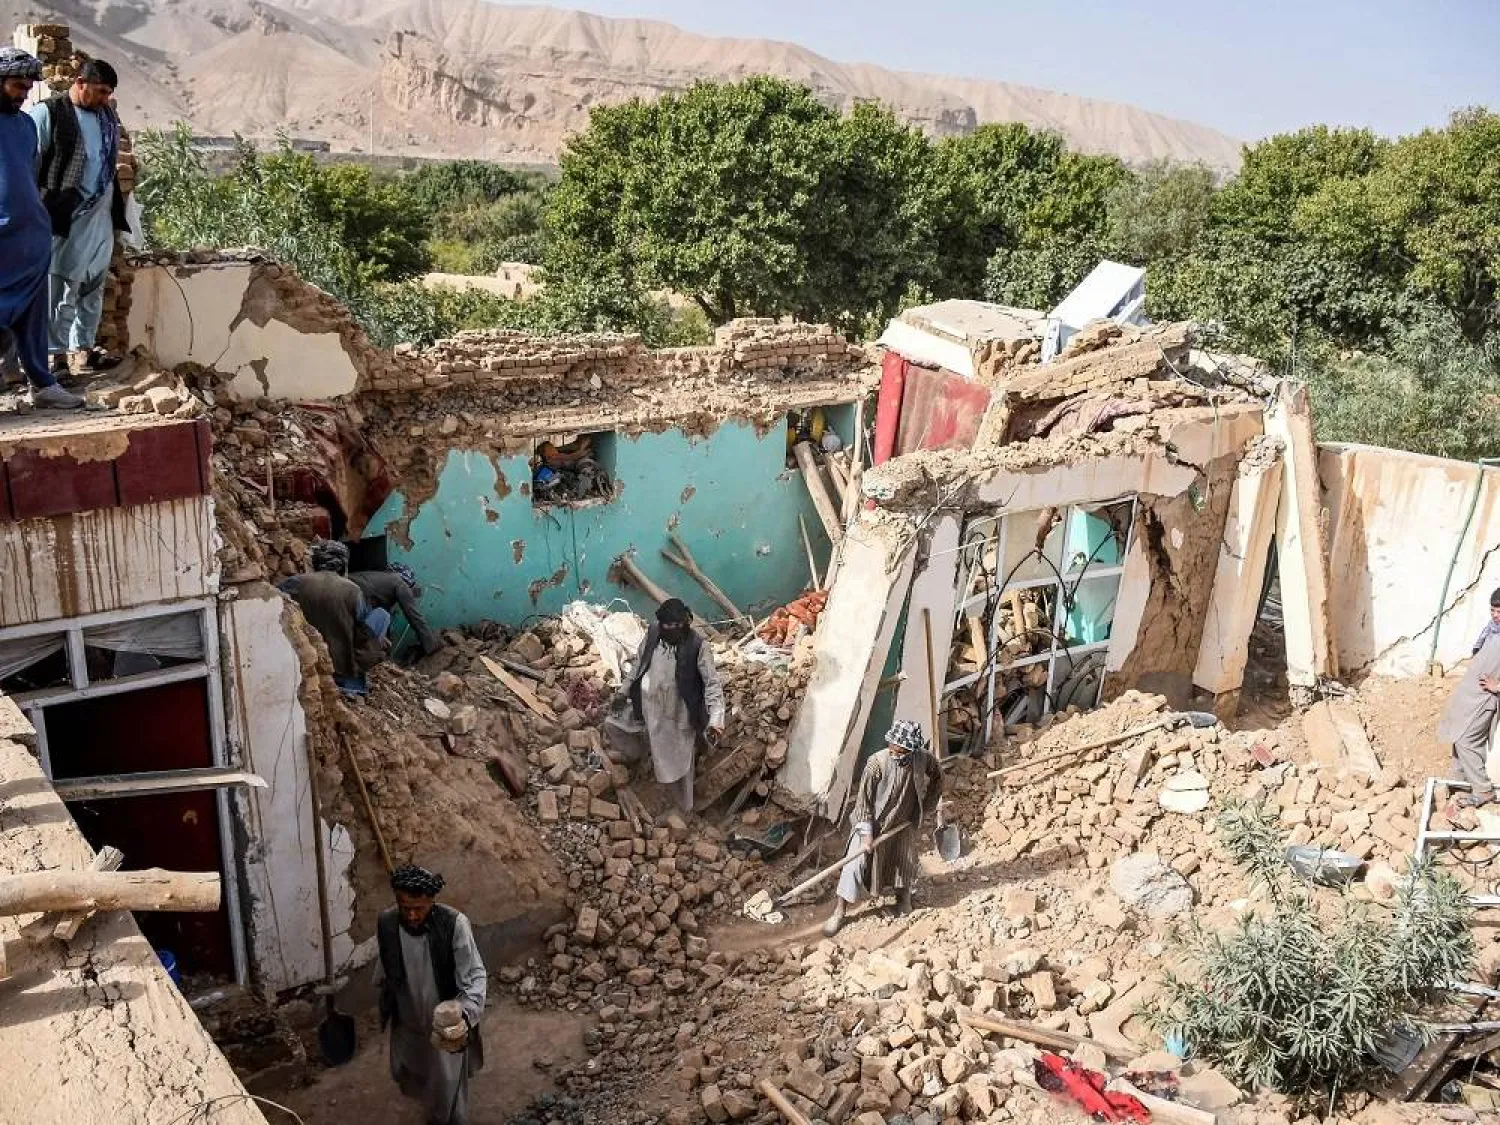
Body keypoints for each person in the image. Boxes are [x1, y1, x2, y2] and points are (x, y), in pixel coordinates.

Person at [29, 58, 128, 380]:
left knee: (93, 284)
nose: (104, 99)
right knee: (60, 286)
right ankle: (53, 356)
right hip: (63, 215)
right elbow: (28, 163)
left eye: (108, 93)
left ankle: (83, 350)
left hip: (100, 213)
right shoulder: (49, 114)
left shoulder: (106, 116)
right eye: (99, 91)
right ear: (80, 82)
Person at [0, 48, 83, 410]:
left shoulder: (25, 125)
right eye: (17, 86)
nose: (23, 94)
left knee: (34, 312)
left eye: (28, 87)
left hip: (30, 235)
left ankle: (42, 383)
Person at [374, 865, 486, 1125]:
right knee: (417, 1072)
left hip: (445, 1026)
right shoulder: (387, 923)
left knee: (448, 1083)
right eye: (405, 907)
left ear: (432, 902)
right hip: (409, 1018)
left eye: (419, 908)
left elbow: (475, 976)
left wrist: (464, 1016)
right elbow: (386, 967)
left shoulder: (454, 924)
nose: (411, 915)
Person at [824, 720, 945, 937]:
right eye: (893, 748)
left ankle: (904, 903)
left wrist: (926, 807)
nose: (895, 753)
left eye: (901, 751)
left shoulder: (922, 759)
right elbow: (864, 803)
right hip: (873, 824)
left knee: (904, 862)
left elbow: (938, 777)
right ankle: (839, 911)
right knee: (854, 863)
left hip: (903, 823)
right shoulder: (876, 763)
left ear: (911, 749)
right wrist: (867, 834)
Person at [625, 598, 725, 811]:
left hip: (680, 710)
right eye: (666, 626)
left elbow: (712, 684)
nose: (671, 630)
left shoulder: (698, 646)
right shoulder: (653, 634)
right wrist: (624, 690)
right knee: (654, 744)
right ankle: (653, 784)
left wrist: (716, 719)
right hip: (651, 706)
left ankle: (684, 806)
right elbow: (638, 664)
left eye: (676, 626)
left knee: (682, 756)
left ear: (685, 623)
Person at [283, 540, 386, 694]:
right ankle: (354, 674)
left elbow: (274, 598)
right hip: (342, 669)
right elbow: (362, 628)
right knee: (382, 616)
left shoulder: (297, 582)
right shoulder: (353, 590)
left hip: (303, 659)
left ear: (317, 561)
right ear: (343, 564)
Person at [1440, 589, 1500, 812]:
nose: (1496, 615)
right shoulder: (1492, 631)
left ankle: (1483, 790)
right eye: (1493, 610)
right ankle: (1458, 786)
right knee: (1459, 739)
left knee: (1468, 742)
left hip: (1484, 701)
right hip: (1470, 697)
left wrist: (1497, 686)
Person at [350, 562, 443, 656]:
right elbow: (414, 616)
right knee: (384, 618)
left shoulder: (379, 582)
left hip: (341, 589)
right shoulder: (401, 583)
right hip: (355, 595)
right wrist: (431, 644)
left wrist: (383, 637)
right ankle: (364, 658)